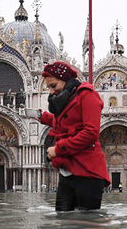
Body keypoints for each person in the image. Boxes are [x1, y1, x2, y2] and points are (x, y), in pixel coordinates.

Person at [38, 61, 110, 211]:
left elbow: (90, 133)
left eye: (54, 86)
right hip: (68, 170)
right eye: (48, 87)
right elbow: (67, 123)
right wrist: (43, 117)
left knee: (87, 223)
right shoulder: (67, 99)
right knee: (63, 219)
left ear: (65, 80)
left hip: (88, 171)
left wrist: (58, 150)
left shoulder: (87, 95)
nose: (51, 92)